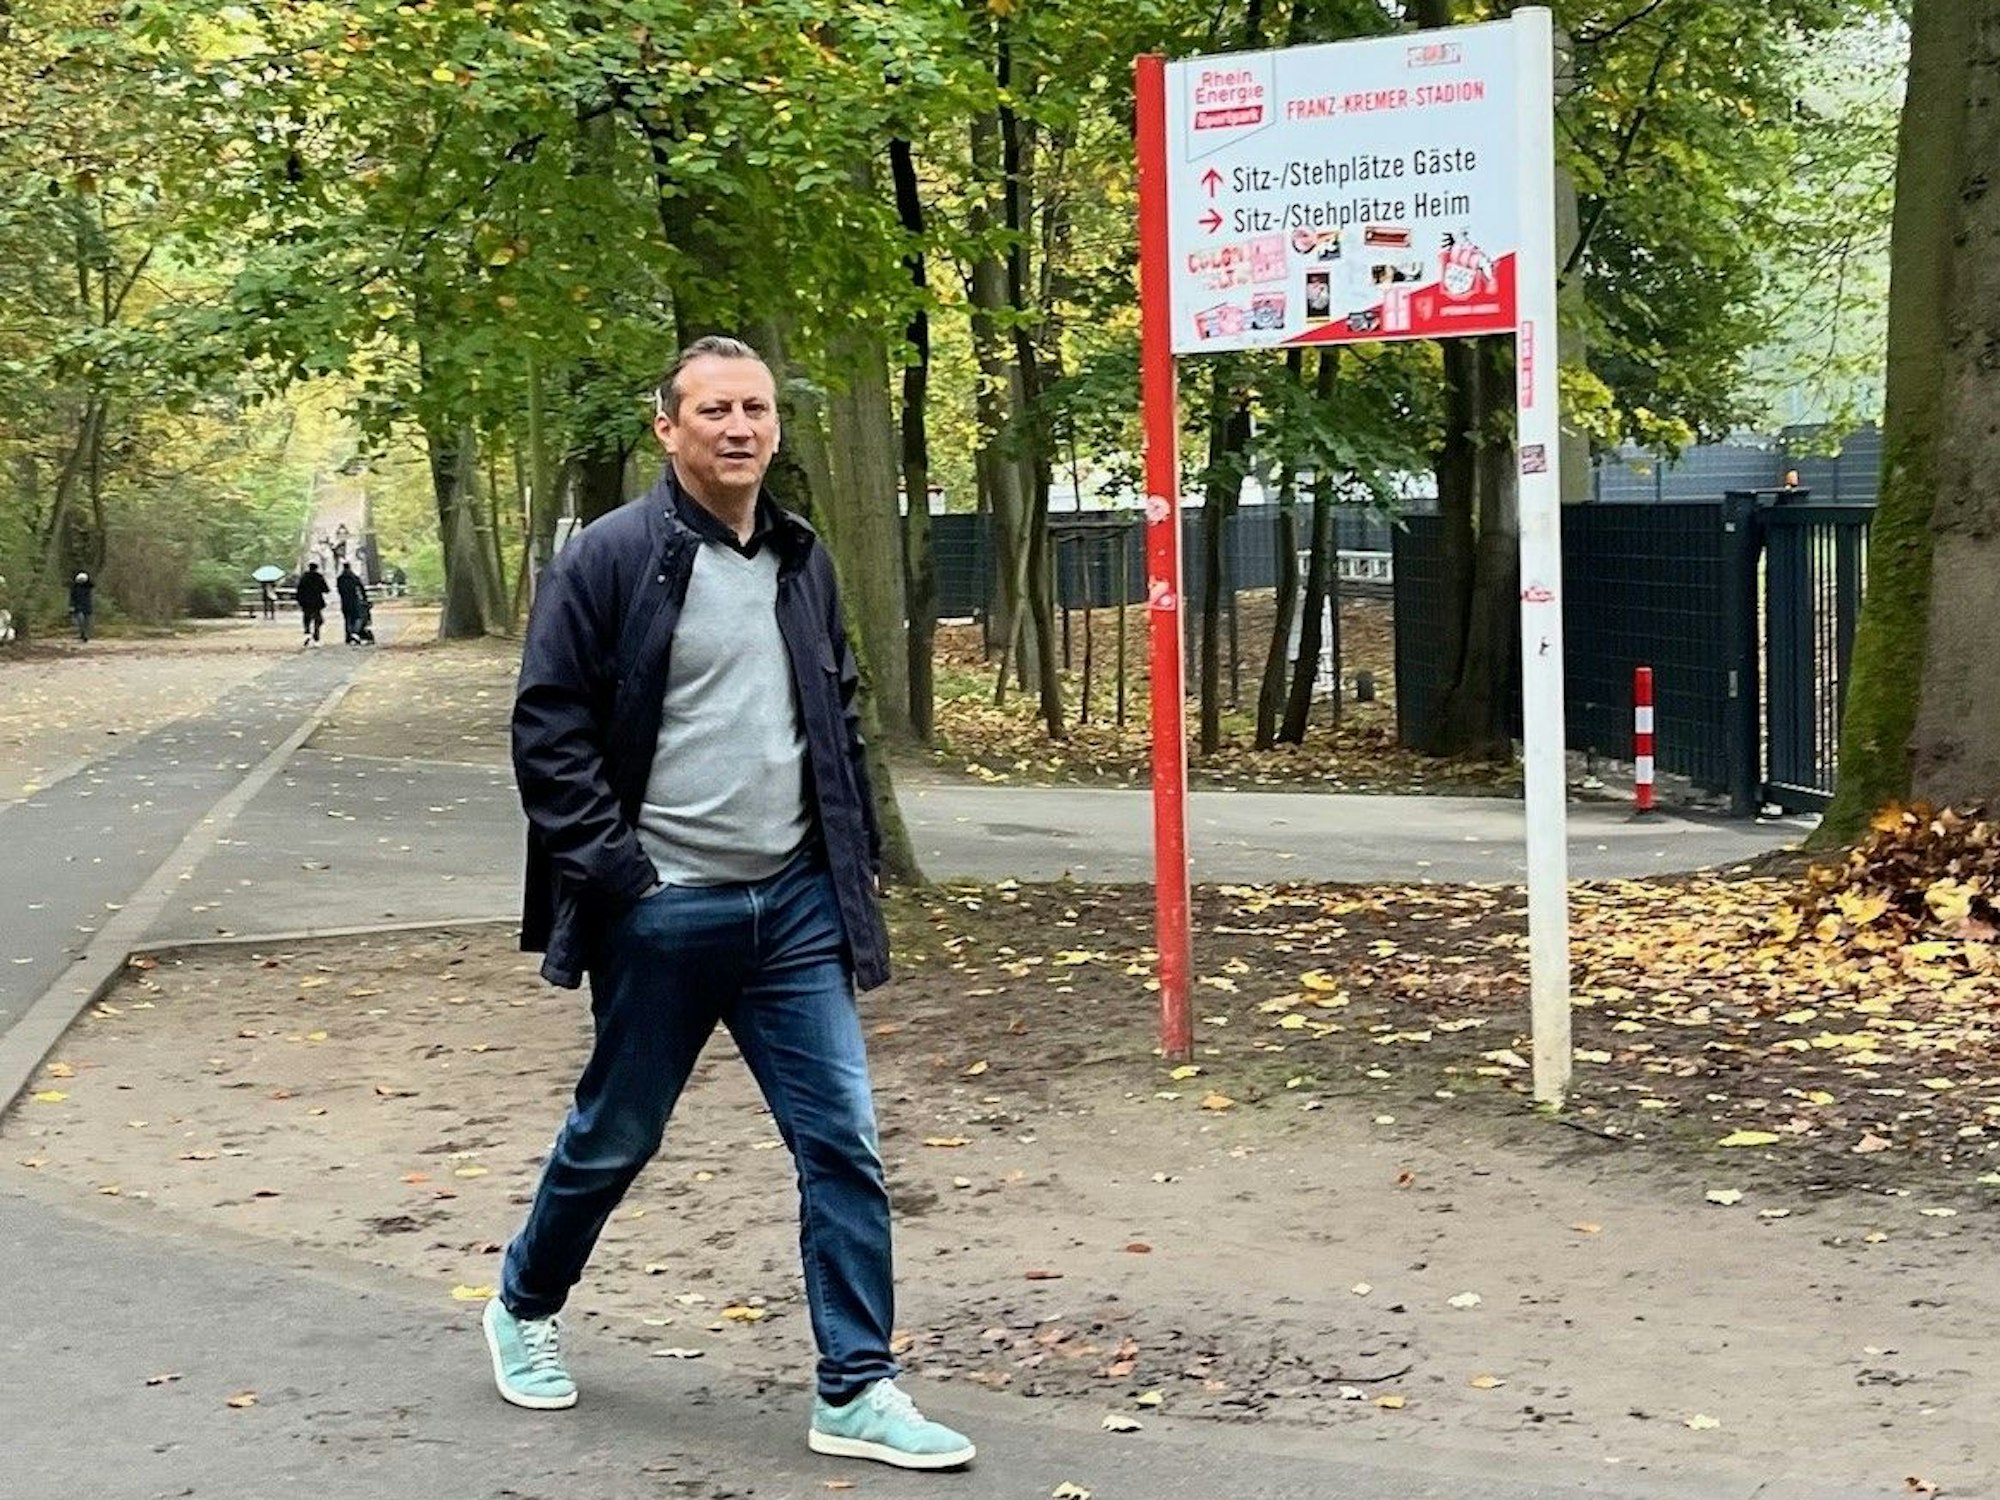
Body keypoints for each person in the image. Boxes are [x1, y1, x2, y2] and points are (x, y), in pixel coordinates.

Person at [487, 336, 973, 1472]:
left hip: (794, 910)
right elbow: (547, 729)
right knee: (616, 1135)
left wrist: (844, 864)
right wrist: (624, 881)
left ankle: (855, 1388)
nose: (739, 427)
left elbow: (833, 709)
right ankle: (522, 1303)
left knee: (841, 1141)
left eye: (755, 407)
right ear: (668, 429)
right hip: (663, 911)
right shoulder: (609, 559)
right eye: (713, 410)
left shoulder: (803, 556)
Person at [294, 561, 329, 646]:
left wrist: (299, 600)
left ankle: (307, 633)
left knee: (307, 618)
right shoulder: (319, 577)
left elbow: (299, 590)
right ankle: (316, 636)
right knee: (318, 620)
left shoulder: (304, 577)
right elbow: (326, 589)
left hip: (306, 602)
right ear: (316, 568)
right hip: (316, 602)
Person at [335, 562, 367, 645]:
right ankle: (355, 633)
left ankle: (348, 637)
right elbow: (361, 588)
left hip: (345, 601)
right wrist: (364, 598)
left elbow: (339, 589)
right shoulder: (354, 577)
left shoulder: (340, 579)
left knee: (347, 619)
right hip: (354, 600)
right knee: (357, 617)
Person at [69, 572, 95, 642]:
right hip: (78, 606)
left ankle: (85, 635)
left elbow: (92, 585)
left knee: (87, 622)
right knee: (81, 621)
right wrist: (71, 606)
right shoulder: (74, 587)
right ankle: (83, 634)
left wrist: (87, 580)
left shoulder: (87, 587)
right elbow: (72, 597)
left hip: (87, 606)